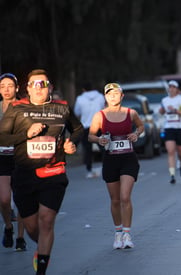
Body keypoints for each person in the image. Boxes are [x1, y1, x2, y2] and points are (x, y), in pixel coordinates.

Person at [0, 69, 83, 275]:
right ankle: (42, 247)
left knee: (46, 221)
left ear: (50, 88)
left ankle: (41, 270)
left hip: (53, 173)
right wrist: (25, 134)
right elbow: (2, 138)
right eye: (34, 84)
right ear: (27, 88)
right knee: (31, 228)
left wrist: (72, 143)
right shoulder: (16, 109)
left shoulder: (62, 108)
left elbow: (79, 129)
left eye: (43, 85)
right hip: (24, 176)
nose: (39, 88)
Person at [88, 83, 144, 249]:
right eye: (109, 94)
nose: (113, 97)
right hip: (110, 159)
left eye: (116, 94)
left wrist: (136, 133)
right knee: (115, 199)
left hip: (128, 159)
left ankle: (127, 234)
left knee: (125, 197)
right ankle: (118, 233)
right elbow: (91, 135)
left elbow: (140, 126)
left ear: (122, 96)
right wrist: (99, 140)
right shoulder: (99, 116)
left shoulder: (131, 113)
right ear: (105, 97)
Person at [0, 73, 27, 251]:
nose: (6, 89)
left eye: (10, 85)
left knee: (21, 199)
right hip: (2, 158)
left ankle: (20, 238)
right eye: (2, 86)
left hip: (21, 157)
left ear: (17, 88)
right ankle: (8, 227)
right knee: (4, 199)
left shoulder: (25, 108)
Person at [159, 80, 181, 184]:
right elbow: (161, 111)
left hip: (180, 127)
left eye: (173, 87)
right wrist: (162, 110)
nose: (171, 89)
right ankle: (172, 175)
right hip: (169, 127)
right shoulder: (164, 100)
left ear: (177, 89)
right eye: (170, 87)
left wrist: (176, 110)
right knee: (170, 151)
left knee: (180, 151)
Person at [74, 83, 105, 178]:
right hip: (99, 126)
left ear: (83, 89)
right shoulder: (100, 97)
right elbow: (104, 109)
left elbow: (77, 112)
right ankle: (107, 167)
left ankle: (89, 169)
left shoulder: (80, 99)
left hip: (86, 126)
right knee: (103, 148)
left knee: (88, 150)